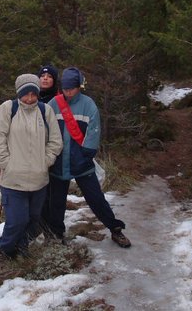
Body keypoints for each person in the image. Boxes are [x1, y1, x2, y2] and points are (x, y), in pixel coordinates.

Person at [42, 67, 131, 248]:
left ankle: (115, 229)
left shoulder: (88, 105)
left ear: (79, 87)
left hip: (81, 162)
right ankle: (56, 235)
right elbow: (44, 129)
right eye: (65, 88)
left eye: (71, 88)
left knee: (96, 199)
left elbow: (93, 132)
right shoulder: (53, 103)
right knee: (56, 203)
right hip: (58, 163)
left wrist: (86, 155)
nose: (68, 92)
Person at [0, 74, 63, 258]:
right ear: (18, 93)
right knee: (16, 221)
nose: (30, 98)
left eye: (33, 94)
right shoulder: (8, 109)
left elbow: (55, 141)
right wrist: (7, 163)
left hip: (39, 181)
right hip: (13, 181)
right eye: (25, 94)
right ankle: (4, 249)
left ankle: (22, 248)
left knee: (33, 220)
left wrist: (46, 161)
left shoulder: (45, 111)